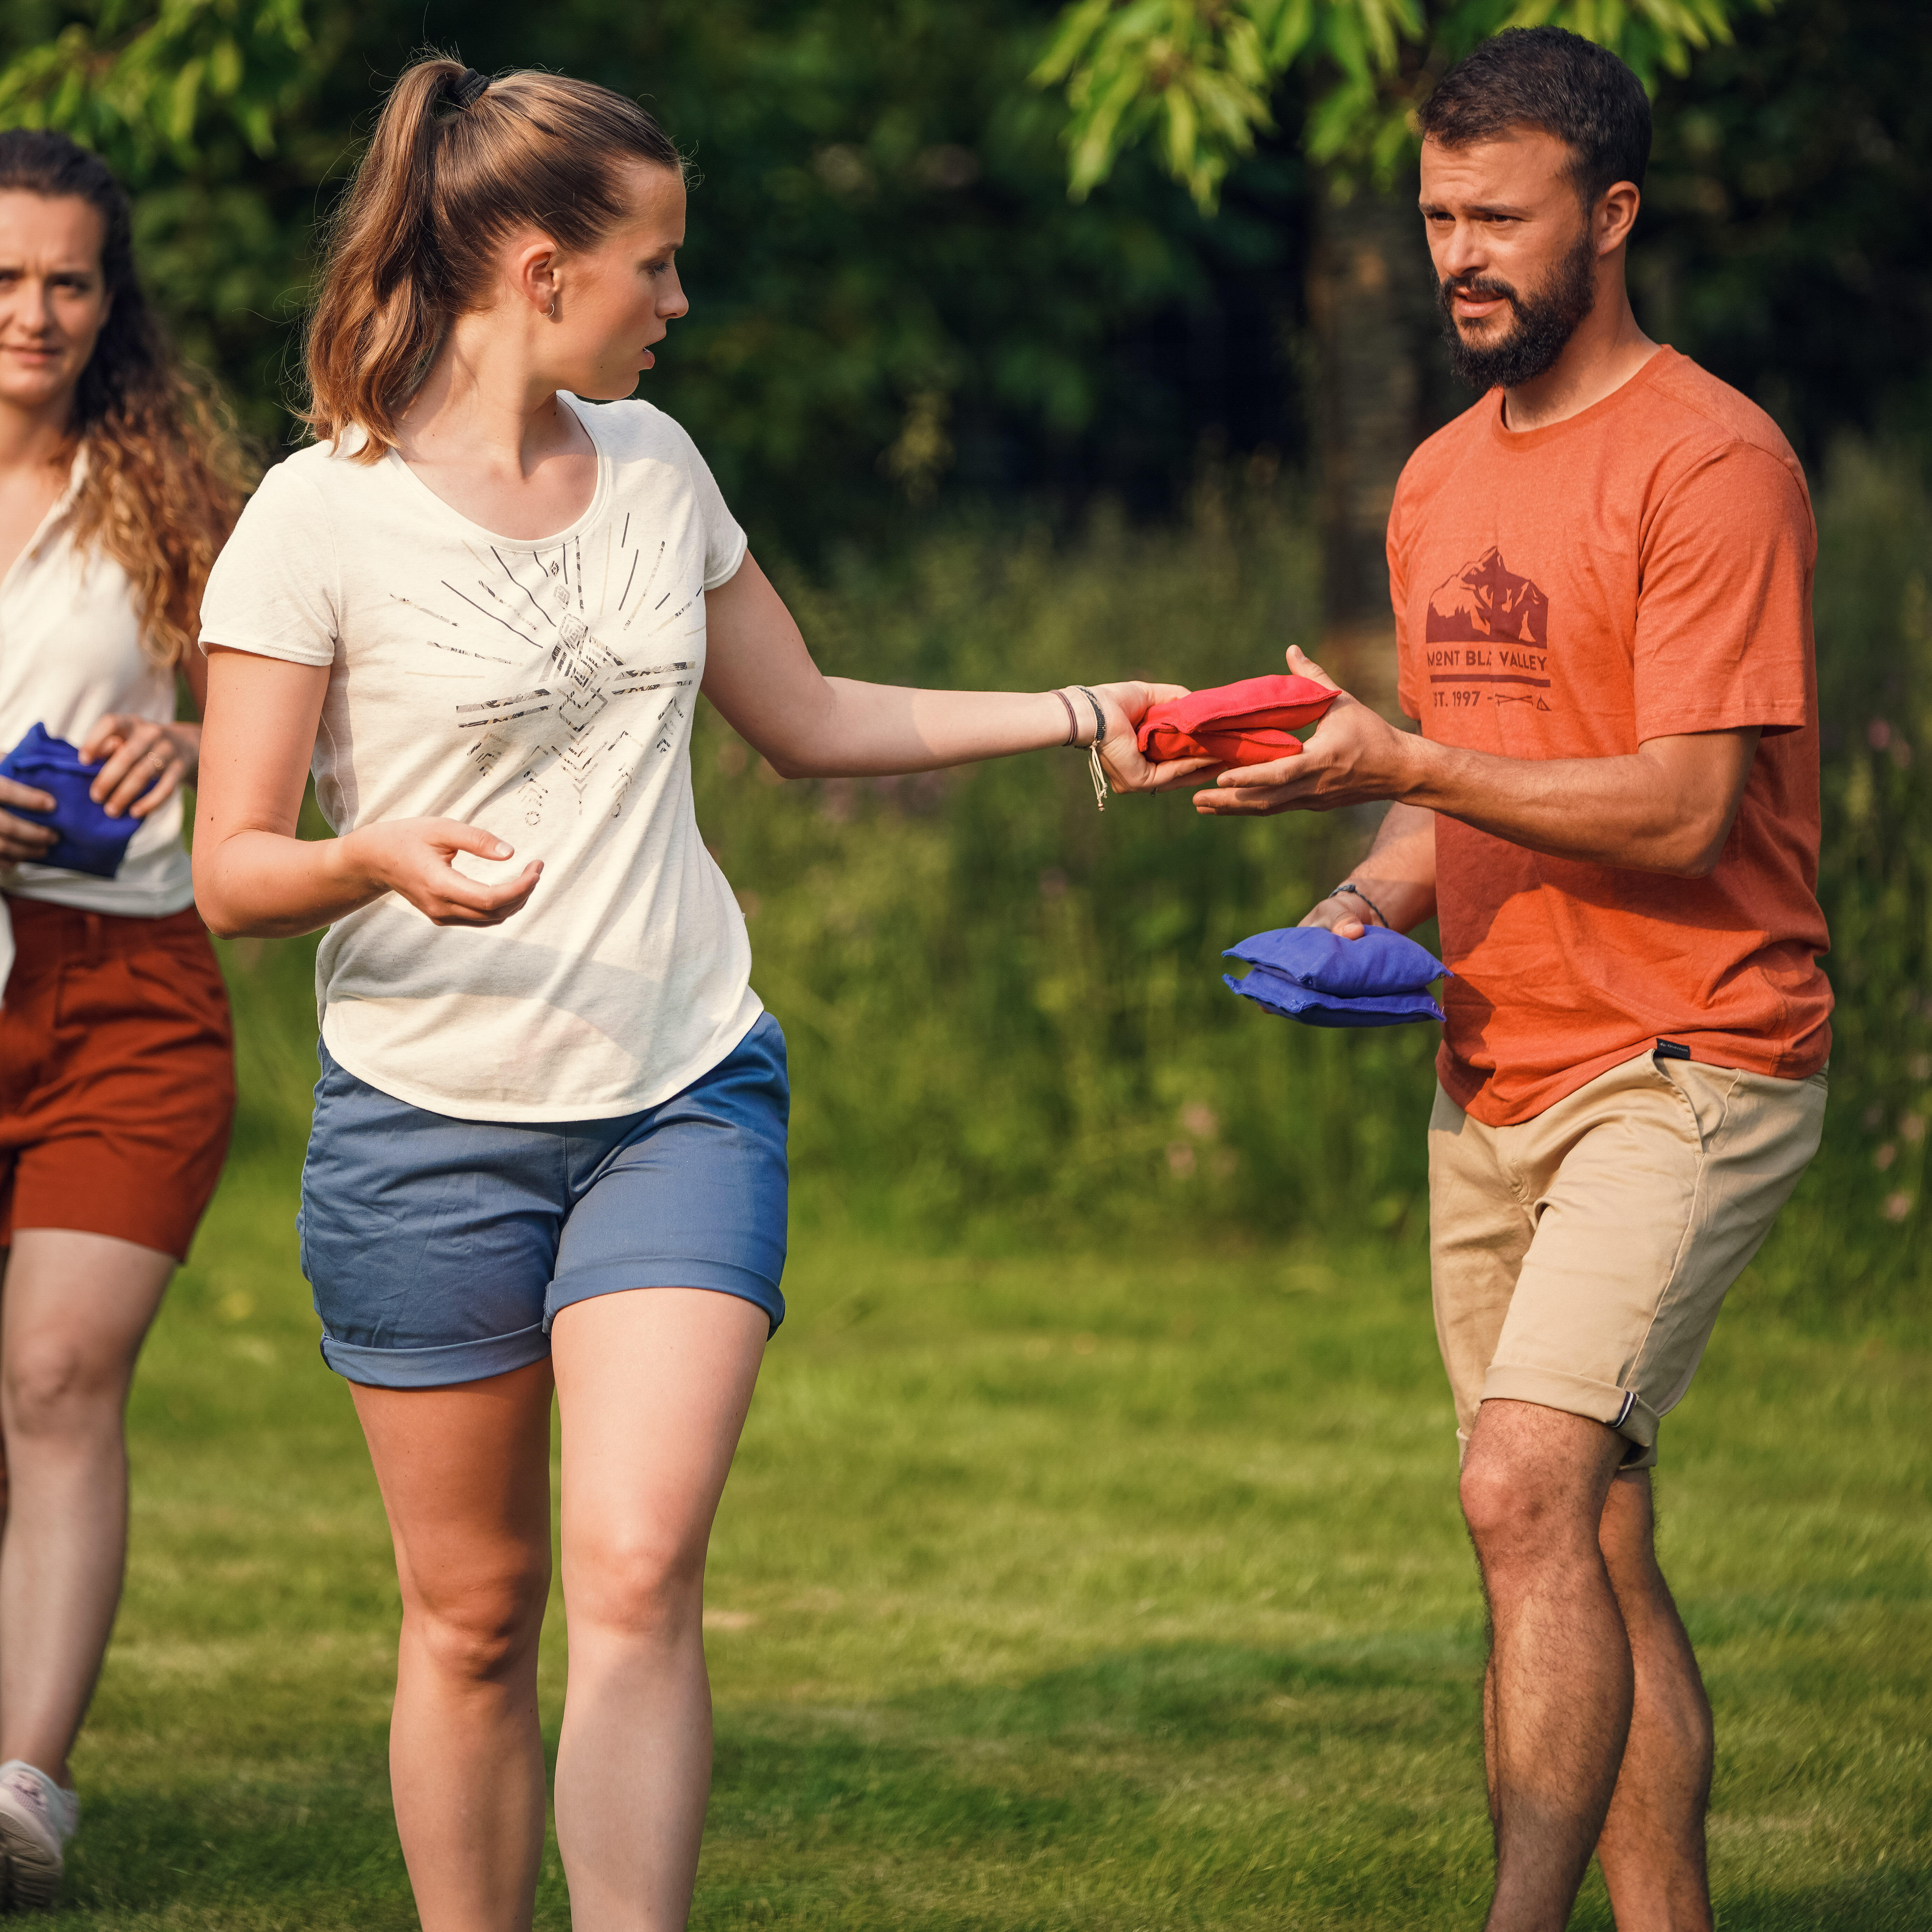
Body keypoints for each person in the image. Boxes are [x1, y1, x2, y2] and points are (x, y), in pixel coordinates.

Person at [191, 58, 1198, 1932]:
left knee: (642, 1569)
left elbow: (812, 725)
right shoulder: (314, 519)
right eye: (655, 264)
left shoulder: (658, 470)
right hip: (426, 1125)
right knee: (477, 1618)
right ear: (541, 269)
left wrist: (1086, 711)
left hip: (678, 1087)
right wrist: (374, 858)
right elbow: (230, 867)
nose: (678, 301)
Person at [1190, 28, 1831, 1932]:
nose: (1458, 254)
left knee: (1522, 1487)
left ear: (1613, 216)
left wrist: (1409, 766)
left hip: (1692, 1050)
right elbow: (1471, 787)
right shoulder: (1436, 485)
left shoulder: (1716, 467)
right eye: (1435, 218)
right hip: (1496, 1062)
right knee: (1588, 1529)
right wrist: (1376, 884)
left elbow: (1689, 806)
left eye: (1498, 217)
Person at [0, 132, 244, 1907]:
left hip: (126, 988)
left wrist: (198, 741)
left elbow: (300, 716)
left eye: (69, 280)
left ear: (113, 295)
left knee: (60, 1373)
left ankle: (23, 1795)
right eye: (5, 279)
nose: (36, 313)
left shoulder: (165, 488)